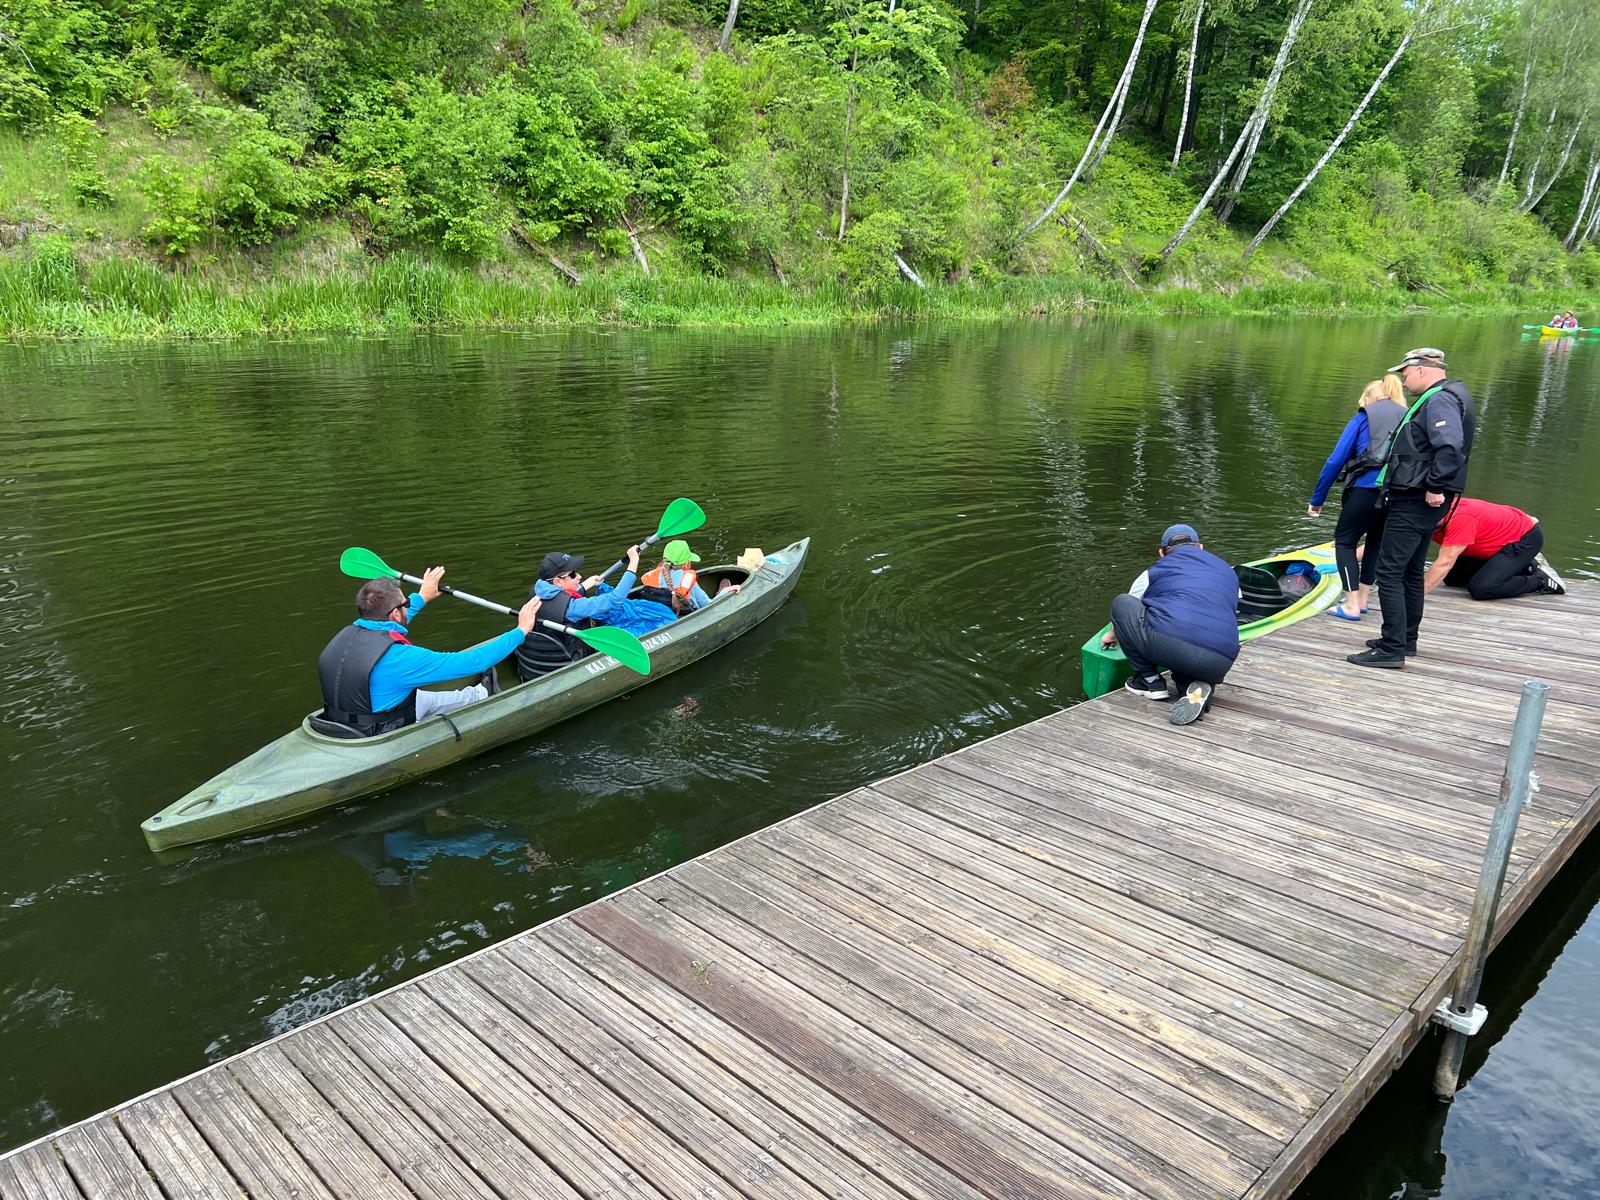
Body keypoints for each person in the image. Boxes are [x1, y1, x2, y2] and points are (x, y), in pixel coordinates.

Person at [1347, 347, 1475, 669]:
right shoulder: (1445, 395)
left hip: (1417, 499)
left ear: (1421, 369)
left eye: (1405, 371)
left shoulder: (1440, 399)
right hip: (1421, 499)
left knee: (1389, 571)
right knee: (1409, 570)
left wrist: (1434, 486)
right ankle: (1406, 638)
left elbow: (1450, 447)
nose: (1402, 378)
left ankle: (1391, 649)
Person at [317, 567, 541, 735]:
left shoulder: (344, 636)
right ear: (395, 613)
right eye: (405, 604)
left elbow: (394, 624)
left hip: (341, 720)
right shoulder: (401, 658)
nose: (408, 606)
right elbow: (473, 662)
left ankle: (479, 694)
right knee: (427, 698)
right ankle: (482, 694)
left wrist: (423, 596)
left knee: (425, 698)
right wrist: (521, 630)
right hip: (380, 730)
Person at [1100, 523, 1241, 726]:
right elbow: (1233, 612)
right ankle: (1194, 689)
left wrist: (1111, 636)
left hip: (1173, 645)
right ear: (1200, 547)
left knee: (1122, 603)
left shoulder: (1153, 572)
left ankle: (1150, 682)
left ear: (1162, 553)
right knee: (1190, 646)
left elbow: (1128, 611)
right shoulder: (1228, 571)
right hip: (1221, 659)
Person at [1307, 375, 1407, 620]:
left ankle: (1350, 604)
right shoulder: (1408, 415)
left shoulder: (1365, 416)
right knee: (1375, 542)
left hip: (1366, 488)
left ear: (1369, 398)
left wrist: (1318, 498)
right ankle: (1362, 599)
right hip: (1397, 492)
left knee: (1345, 541)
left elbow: (1336, 459)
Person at [516, 545, 674, 680]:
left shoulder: (539, 590)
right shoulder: (573, 608)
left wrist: (585, 585)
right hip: (571, 660)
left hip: (541, 658)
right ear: (557, 581)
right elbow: (615, 600)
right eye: (572, 574)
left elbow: (560, 597)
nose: (579, 576)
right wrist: (633, 563)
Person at [1424, 498, 1566, 599]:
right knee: (1453, 579)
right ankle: (1521, 565)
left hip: (1524, 537)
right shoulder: (1423, 516)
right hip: (1488, 541)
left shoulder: (1460, 518)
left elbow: (1445, 563)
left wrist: (1415, 596)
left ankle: (1541, 579)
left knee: (1482, 589)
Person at [637, 540, 741, 614]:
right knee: (708, 598)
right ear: (686, 564)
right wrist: (726, 590)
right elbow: (708, 605)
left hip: (663, 614)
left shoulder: (653, 576)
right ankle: (720, 591)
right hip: (684, 614)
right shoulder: (687, 581)